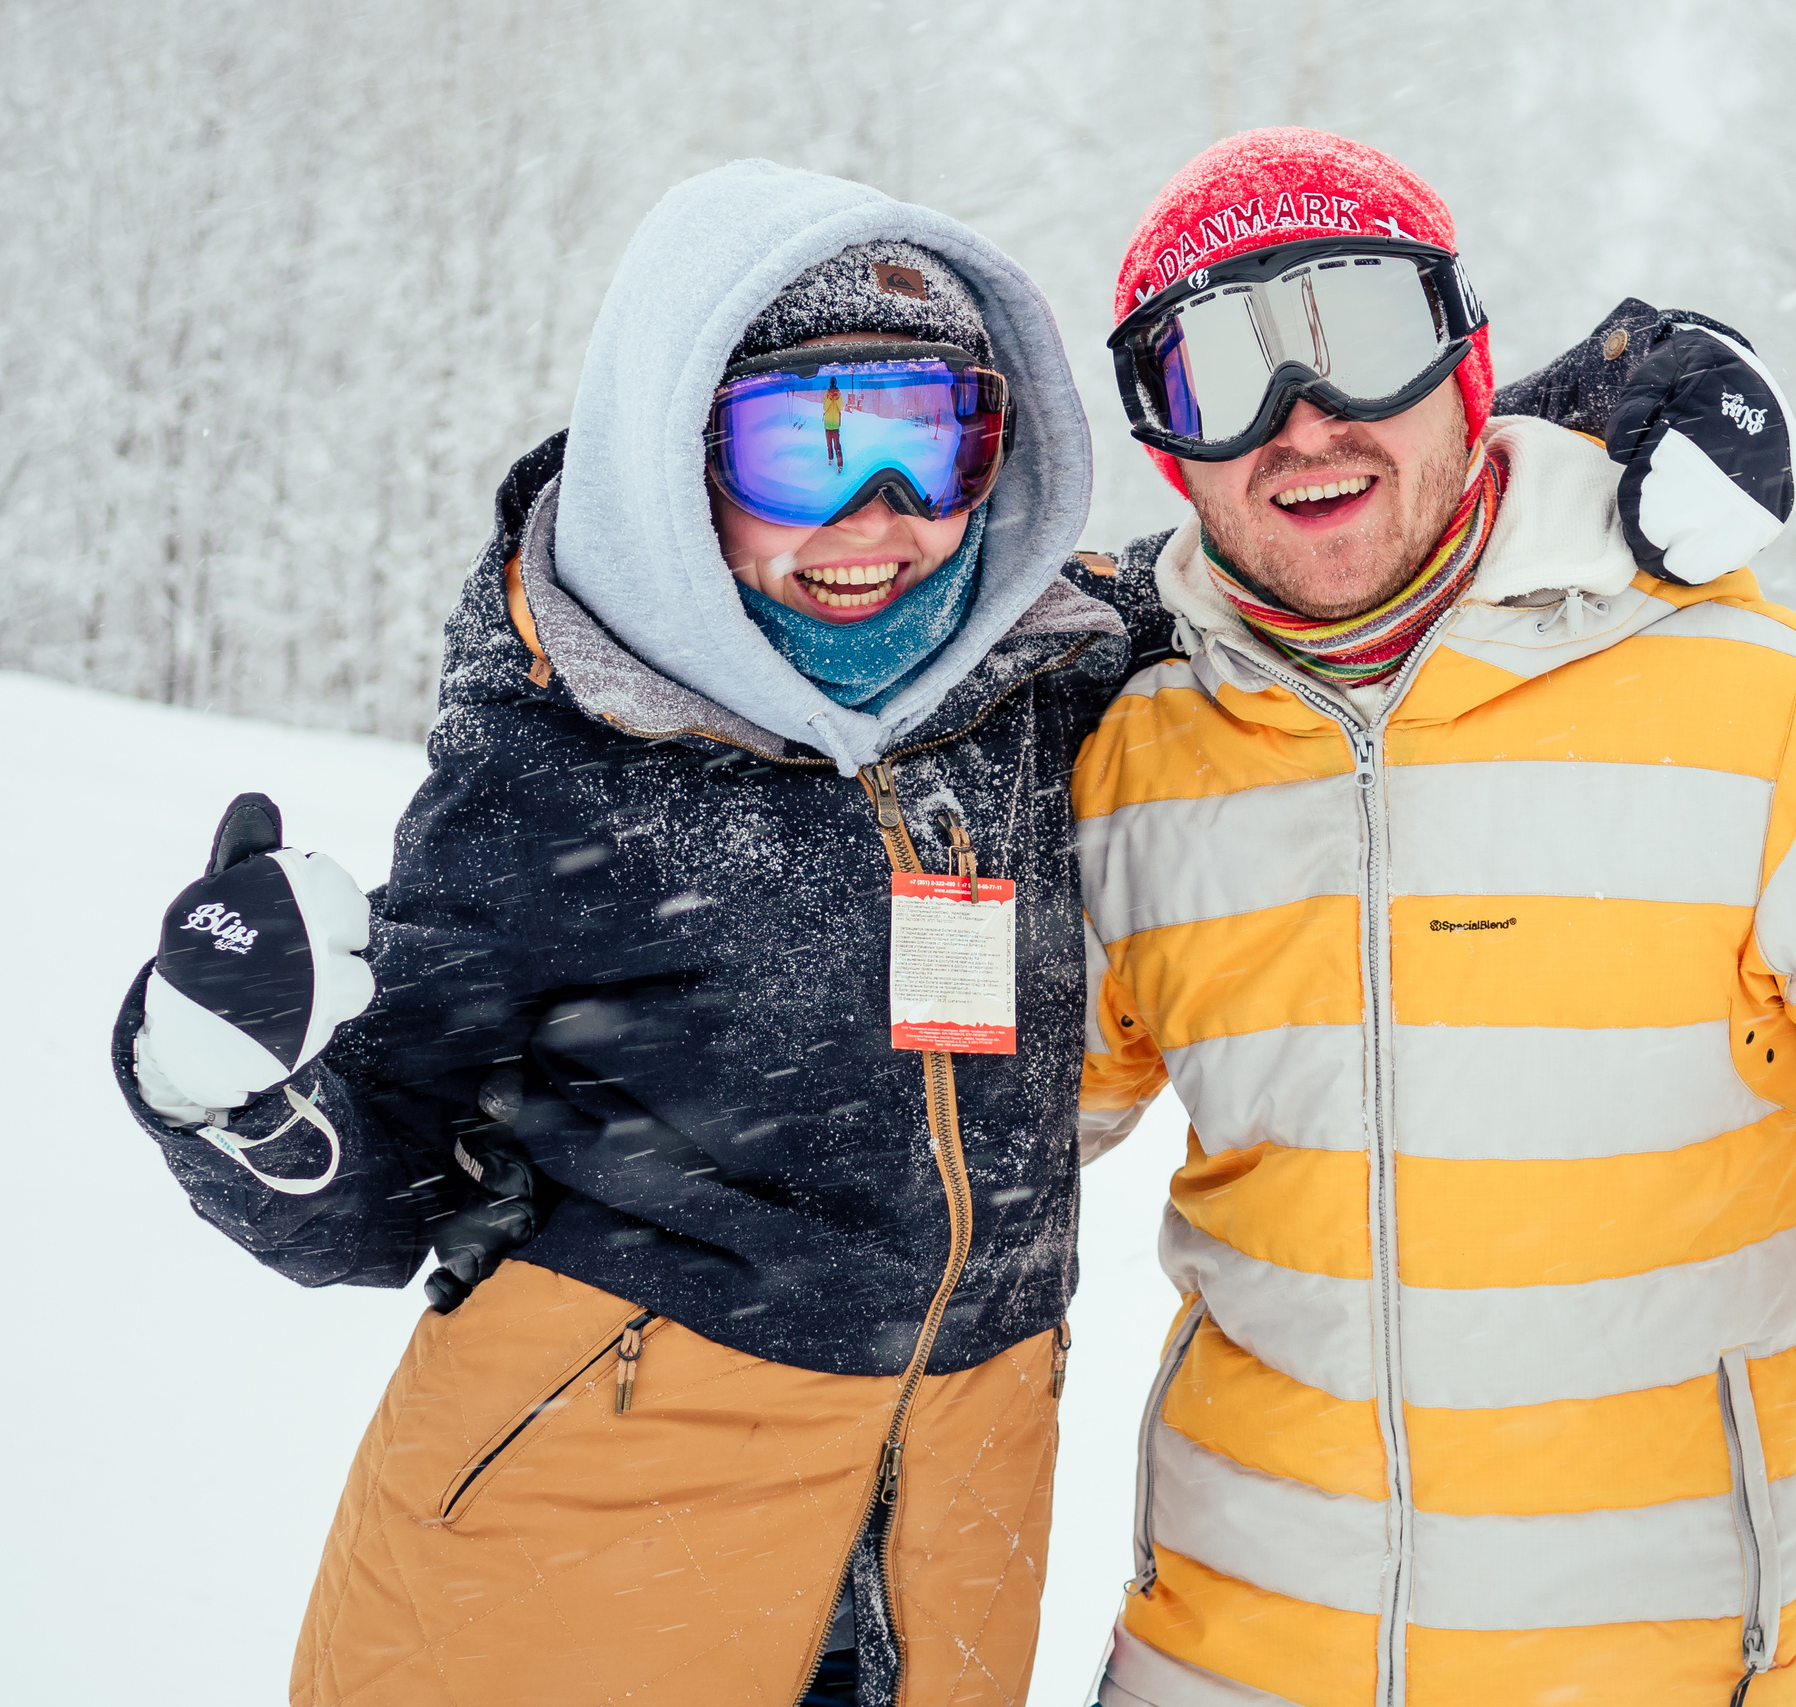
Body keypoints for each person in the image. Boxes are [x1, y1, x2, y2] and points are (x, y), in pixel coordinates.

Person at [1073, 130, 1796, 1707]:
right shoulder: (1133, 763)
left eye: (1357, 334)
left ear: (1466, 364)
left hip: (1673, 1671)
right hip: (1221, 1664)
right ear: (1165, 444)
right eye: (1216, 371)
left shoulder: (1771, 718)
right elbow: (969, 1145)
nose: (1299, 419)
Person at [115, 161, 1134, 1707]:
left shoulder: (1044, 688)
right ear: (675, 456)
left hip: (936, 1559)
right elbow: (373, 1200)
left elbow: (1315, 581)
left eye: (933, 442)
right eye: (804, 448)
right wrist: (226, 1088)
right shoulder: (559, 771)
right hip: (575, 1580)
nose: (879, 518)